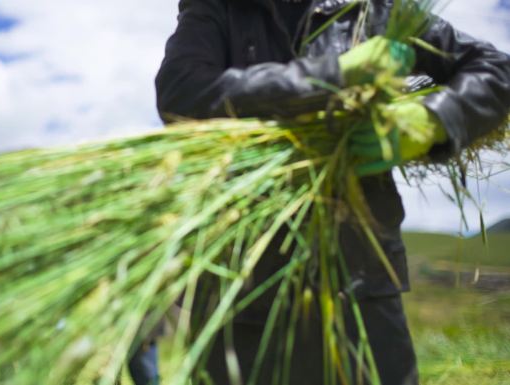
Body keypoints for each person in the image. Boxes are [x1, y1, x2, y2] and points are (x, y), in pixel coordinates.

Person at [153, 0, 510, 384]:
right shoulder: (219, 9)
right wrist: (331, 75)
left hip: (361, 282)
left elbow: (496, 69)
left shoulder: (373, 10)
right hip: (243, 290)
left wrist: (433, 119)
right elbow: (182, 91)